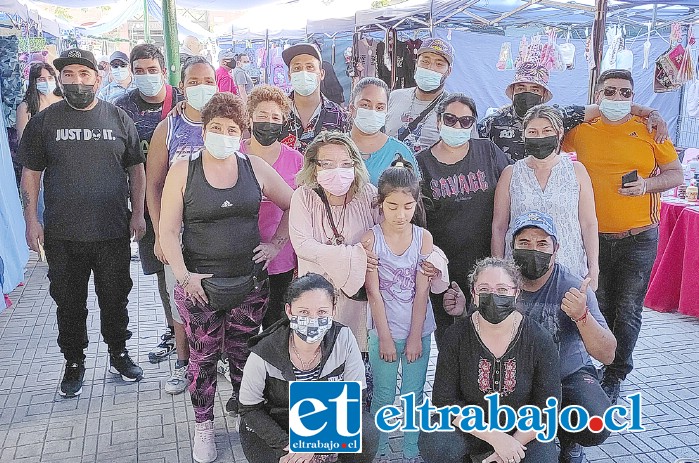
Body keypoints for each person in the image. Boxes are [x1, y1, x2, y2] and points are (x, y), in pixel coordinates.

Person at [159, 92, 293, 463]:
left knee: (246, 359)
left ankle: (248, 419)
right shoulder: (184, 169)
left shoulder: (254, 168)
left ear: (242, 133)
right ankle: (203, 426)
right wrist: (185, 278)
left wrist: (276, 244)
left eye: (231, 129)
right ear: (204, 130)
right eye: (215, 127)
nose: (223, 134)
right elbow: (167, 232)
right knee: (202, 360)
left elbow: (292, 203)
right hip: (199, 287)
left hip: (248, 286)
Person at [18, 48, 146, 398]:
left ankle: (119, 354)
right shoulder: (44, 122)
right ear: (60, 78)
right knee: (69, 303)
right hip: (63, 235)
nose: (76, 81)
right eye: (68, 74)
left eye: (83, 74)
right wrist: (31, 221)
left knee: (115, 298)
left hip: (112, 232)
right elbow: (31, 175)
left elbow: (136, 168)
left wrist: (137, 213)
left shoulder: (119, 118)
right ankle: (73, 362)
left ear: (97, 77)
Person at [562, 69, 683, 404]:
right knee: (597, 307)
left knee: (627, 310)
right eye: (610, 91)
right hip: (592, 239)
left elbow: (675, 174)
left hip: (638, 237)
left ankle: (615, 375)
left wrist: (647, 185)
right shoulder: (581, 130)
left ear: (633, 96)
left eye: (625, 93)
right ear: (597, 94)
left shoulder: (648, 130)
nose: (617, 99)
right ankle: (592, 367)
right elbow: (553, 119)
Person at [418, 257, 561, 463]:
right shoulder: (456, 336)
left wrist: (511, 446)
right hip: (471, 429)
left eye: (502, 290)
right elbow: (444, 401)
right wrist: (495, 438)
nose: (493, 297)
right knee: (437, 444)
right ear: (474, 295)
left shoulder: (539, 339)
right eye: (484, 289)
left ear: (516, 293)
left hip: (522, 430)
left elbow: (548, 408)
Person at [238, 273, 379, 463]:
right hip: (278, 424)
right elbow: (249, 409)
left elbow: (355, 399)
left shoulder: (344, 338)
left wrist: (314, 444)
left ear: (333, 310)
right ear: (289, 311)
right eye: (304, 312)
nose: (313, 320)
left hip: (326, 419)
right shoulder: (264, 352)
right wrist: (289, 445)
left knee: (367, 430)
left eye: (322, 312)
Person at [511, 211, 615, 463]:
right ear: (512, 246)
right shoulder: (502, 283)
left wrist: (582, 317)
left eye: (542, 243)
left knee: (596, 423)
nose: (533, 250)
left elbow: (608, 354)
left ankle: (568, 438)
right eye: (524, 243)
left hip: (568, 374)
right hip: (517, 379)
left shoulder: (572, 286)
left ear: (555, 249)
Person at [113, 44, 185, 393]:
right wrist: (136, 211)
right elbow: (123, 160)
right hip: (148, 203)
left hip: (191, 206)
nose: (145, 75)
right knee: (161, 272)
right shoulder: (122, 107)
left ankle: (200, 337)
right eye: (138, 69)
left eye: (150, 68)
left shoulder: (185, 99)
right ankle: (175, 332)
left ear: (164, 68)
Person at [416, 93, 511, 349]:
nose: (457, 126)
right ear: (438, 122)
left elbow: (515, 186)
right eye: (450, 119)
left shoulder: (487, 151)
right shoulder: (422, 164)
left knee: (490, 337)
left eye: (465, 121)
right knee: (451, 340)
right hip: (445, 270)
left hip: (487, 264)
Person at [146, 56, 217, 394]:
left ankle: (219, 365)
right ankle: (183, 362)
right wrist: (161, 233)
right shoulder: (169, 128)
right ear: (183, 85)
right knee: (181, 302)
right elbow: (153, 184)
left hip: (218, 236)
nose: (202, 87)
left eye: (208, 80)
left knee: (219, 301)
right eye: (194, 81)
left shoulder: (226, 123)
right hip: (179, 236)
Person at [363, 160, 437, 463]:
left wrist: (416, 337)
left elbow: (422, 291)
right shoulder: (370, 238)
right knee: (382, 394)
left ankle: (411, 449)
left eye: (407, 206)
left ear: (415, 203)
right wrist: (385, 338)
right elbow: (373, 292)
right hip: (382, 331)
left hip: (419, 331)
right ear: (381, 203)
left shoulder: (423, 238)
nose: (400, 214)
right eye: (392, 206)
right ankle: (378, 449)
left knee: (414, 393)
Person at [289, 131, 379, 354]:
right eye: (327, 164)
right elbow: (302, 244)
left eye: (345, 163)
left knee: (355, 371)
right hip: (315, 301)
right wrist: (355, 255)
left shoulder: (368, 195)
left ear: (355, 165)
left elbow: (383, 237)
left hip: (358, 303)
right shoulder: (303, 196)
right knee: (316, 369)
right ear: (314, 166)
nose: (337, 171)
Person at [491, 105, 599, 287]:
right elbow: (499, 227)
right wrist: (497, 269)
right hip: (519, 270)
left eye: (546, 131)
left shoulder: (576, 171)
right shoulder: (511, 173)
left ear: (558, 133)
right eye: (532, 131)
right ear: (524, 135)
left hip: (568, 267)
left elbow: (588, 223)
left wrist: (593, 268)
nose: (540, 137)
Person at [478, 60, 670, 162]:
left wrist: (651, 112)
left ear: (544, 94)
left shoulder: (560, 116)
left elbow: (610, 105)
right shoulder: (492, 122)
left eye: (535, 89)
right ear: (512, 92)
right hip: (502, 195)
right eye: (520, 88)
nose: (527, 93)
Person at [240, 85, 303, 331]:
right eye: (262, 116)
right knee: (242, 327)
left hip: (280, 257)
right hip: (241, 257)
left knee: (276, 324)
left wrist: (276, 245)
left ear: (284, 121)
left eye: (275, 117)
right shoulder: (234, 153)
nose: (268, 122)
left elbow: (300, 207)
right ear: (250, 117)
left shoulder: (296, 159)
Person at [385, 38, 453, 154]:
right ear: (416, 64)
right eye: (425, 61)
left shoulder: (455, 108)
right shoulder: (394, 97)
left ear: (448, 71)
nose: (430, 68)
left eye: (439, 64)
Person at [278, 43, 350, 153]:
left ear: (321, 74)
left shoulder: (339, 116)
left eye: (309, 67)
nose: (303, 72)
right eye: (297, 68)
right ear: (289, 75)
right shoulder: (277, 113)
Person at [16, 62, 62, 226]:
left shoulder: (63, 102)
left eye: (50, 78)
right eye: (41, 79)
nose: (47, 82)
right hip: (40, 169)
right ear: (34, 81)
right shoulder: (26, 108)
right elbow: (23, 143)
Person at [348, 77, 418, 186]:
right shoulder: (336, 148)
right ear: (352, 109)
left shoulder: (399, 152)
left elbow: (412, 195)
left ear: (386, 112)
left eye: (380, 107)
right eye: (365, 105)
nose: (372, 111)